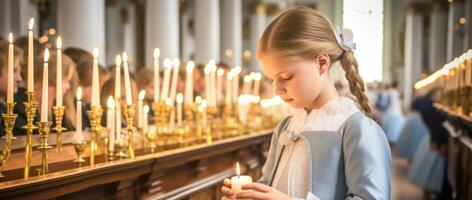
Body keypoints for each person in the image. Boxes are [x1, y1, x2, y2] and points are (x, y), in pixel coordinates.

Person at [221, 6, 391, 200]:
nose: (277, 90)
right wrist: (249, 196)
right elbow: (269, 184)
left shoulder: (356, 129)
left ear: (321, 63)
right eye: (272, 79)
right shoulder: (287, 126)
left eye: (286, 76)